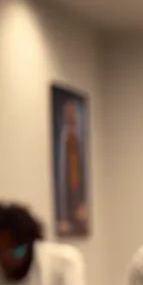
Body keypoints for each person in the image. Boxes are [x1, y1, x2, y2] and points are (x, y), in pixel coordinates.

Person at [55, 97, 87, 234]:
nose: (71, 128)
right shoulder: (63, 144)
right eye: (68, 122)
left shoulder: (81, 145)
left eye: (73, 122)